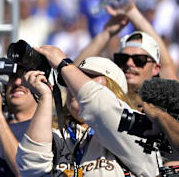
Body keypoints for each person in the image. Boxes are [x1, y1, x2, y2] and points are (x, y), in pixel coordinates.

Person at [16, 47, 160, 177]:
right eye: (69, 81)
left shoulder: (136, 128)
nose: (73, 86)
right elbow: (30, 167)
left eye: (88, 78)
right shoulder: (60, 135)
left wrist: (63, 64)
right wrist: (45, 97)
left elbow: (101, 108)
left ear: (114, 90)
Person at [76, 0, 177, 94]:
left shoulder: (164, 102)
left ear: (155, 68)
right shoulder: (108, 98)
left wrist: (131, 12)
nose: (129, 63)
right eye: (122, 59)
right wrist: (106, 34)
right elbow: (70, 75)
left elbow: (166, 65)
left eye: (139, 60)